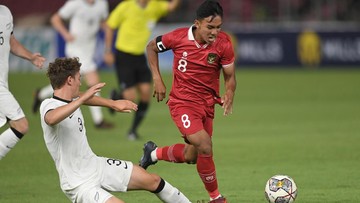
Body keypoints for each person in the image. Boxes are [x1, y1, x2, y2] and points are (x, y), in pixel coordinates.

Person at [40, 57, 191, 203]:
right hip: (79, 183)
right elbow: (52, 118)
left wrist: (112, 104)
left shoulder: (72, 98)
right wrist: (82, 99)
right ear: (70, 80)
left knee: (153, 180)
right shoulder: (49, 105)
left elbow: (83, 97)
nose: (81, 82)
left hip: (96, 165)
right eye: (79, 77)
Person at [139, 1, 236, 202]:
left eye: (218, 27)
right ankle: (216, 198)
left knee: (193, 156)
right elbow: (151, 47)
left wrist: (229, 92)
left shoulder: (224, 44)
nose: (215, 32)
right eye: (210, 27)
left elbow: (230, 76)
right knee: (205, 144)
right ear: (197, 23)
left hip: (207, 105)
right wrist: (157, 78)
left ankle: (153, 154)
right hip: (182, 103)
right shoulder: (178, 37)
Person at [103, 0, 181, 140]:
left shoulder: (155, 6)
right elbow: (110, 25)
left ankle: (133, 130)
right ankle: (115, 97)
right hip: (124, 55)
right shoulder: (126, 6)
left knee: (146, 93)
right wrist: (108, 50)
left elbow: (172, 7)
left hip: (140, 56)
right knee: (130, 97)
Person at [32, 0, 114, 129]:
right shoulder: (75, 3)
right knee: (92, 79)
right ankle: (99, 121)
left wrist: (107, 48)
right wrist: (66, 35)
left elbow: (105, 23)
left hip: (89, 49)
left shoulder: (101, 4)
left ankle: (40, 94)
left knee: (69, 82)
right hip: (75, 49)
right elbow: (55, 19)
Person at [0, 5, 46, 160]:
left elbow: (11, 41)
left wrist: (31, 57)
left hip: (2, 83)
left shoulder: (5, 12)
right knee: (21, 125)